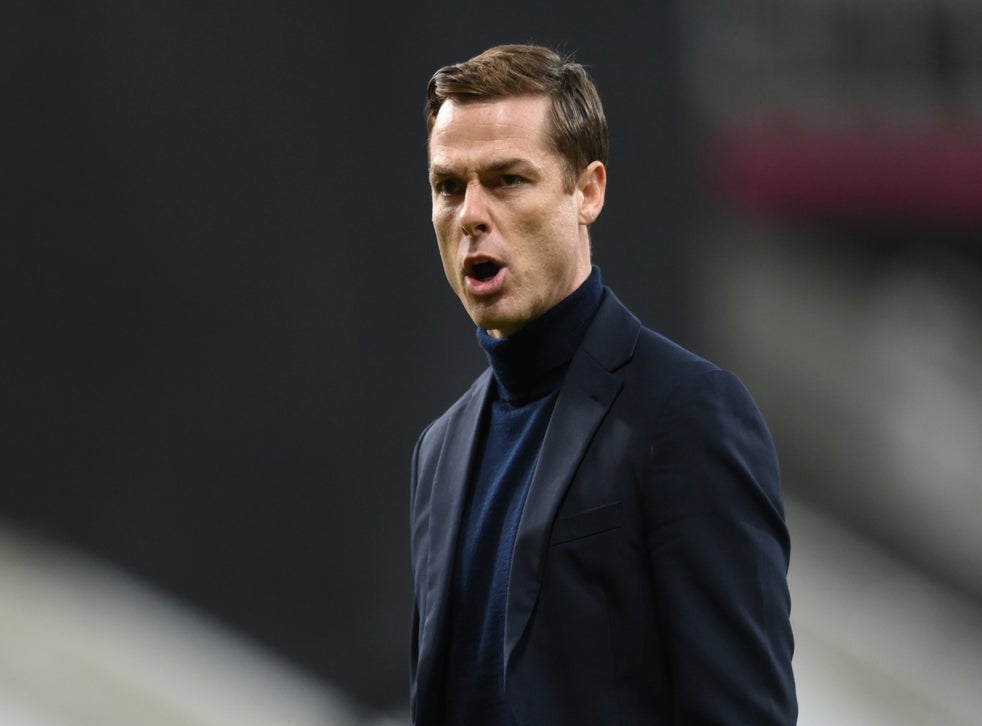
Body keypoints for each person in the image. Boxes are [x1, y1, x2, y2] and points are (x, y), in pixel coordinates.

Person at [409, 43, 797, 725]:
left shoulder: (686, 414)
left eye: (507, 180)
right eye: (449, 186)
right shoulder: (438, 451)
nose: (471, 214)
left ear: (587, 192)